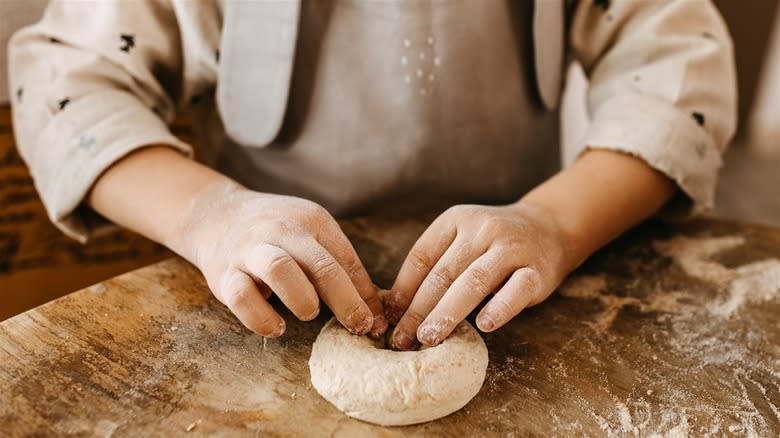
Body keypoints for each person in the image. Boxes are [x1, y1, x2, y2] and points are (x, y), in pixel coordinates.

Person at [9, 0, 736, 351]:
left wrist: (556, 223)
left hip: (521, 307)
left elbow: (675, 61)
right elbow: (70, 81)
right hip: (267, 315)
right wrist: (208, 216)